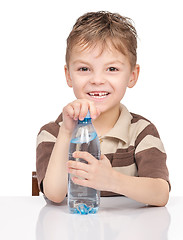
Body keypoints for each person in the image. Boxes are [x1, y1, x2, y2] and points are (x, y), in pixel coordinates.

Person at [36, 11, 170, 206]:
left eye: (112, 69)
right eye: (84, 69)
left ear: (132, 75)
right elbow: (55, 195)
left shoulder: (141, 131)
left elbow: (160, 194)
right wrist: (67, 132)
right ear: (68, 75)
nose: (97, 80)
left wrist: (112, 180)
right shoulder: (53, 133)